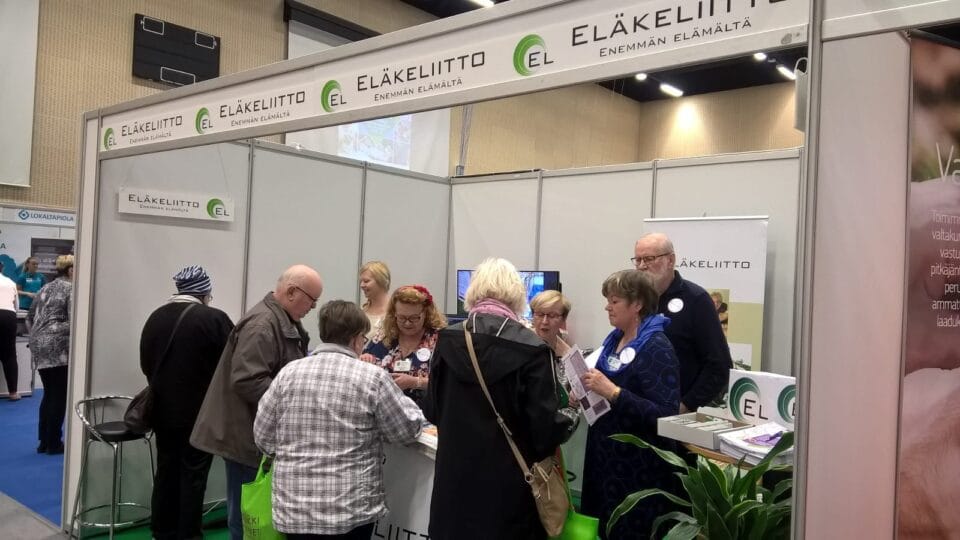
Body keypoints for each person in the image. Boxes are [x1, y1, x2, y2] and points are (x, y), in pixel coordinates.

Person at [424, 257, 573, 540]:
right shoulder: (533, 349)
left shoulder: (447, 339)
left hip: (454, 486)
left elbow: (432, 409)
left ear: (473, 291)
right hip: (510, 491)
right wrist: (571, 417)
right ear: (517, 294)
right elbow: (544, 432)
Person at [254, 300, 424, 540]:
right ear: (356, 339)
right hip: (350, 510)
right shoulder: (372, 378)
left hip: (293, 510)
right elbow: (405, 430)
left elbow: (263, 437)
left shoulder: (287, 374)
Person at [191, 264, 323, 540]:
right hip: (245, 436)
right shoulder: (263, 325)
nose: (313, 307)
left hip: (253, 433)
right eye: (312, 299)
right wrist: (293, 402)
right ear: (291, 292)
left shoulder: (278, 320)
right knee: (248, 516)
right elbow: (247, 380)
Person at [579, 269, 680, 540]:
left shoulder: (657, 347)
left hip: (637, 470)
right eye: (608, 300)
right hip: (605, 459)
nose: (607, 307)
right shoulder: (614, 339)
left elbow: (666, 415)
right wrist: (584, 389)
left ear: (637, 304)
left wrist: (614, 393)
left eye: (614, 301)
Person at [140, 266, 234, 540]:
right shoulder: (214, 319)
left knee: (166, 470)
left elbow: (146, 363)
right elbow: (231, 364)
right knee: (193, 476)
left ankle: (162, 530)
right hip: (200, 414)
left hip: (161, 411)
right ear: (204, 293)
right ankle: (188, 534)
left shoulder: (155, 317)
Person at [633, 233, 731, 412]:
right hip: (637, 410)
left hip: (675, 414)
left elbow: (719, 365)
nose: (641, 266)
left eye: (649, 259)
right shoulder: (634, 299)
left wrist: (686, 405)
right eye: (637, 260)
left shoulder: (696, 299)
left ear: (670, 260)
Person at [361, 285, 446, 407]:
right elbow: (362, 369)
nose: (407, 323)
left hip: (425, 413)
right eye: (401, 317)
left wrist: (416, 382)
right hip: (384, 411)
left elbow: (447, 384)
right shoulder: (384, 337)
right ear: (394, 314)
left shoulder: (439, 340)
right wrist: (364, 360)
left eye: (414, 318)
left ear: (426, 313)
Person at [26, 255, 73, 454]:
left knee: (49, 392)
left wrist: (37, 336)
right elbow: (75, 320)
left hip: (38, 344)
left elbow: (30, 316)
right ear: (70, 270)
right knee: (59, 394)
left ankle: (43, 441)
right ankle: (54, 442)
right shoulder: (71, 289)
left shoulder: (44, 288)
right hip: (58, 346)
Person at [528, 290, 579, 431]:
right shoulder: (519, 345)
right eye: (540, 314)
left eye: (552, 316)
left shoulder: (569, 356)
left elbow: (575, 405)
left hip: (554, 429)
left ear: (563, 320)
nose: (544, 321)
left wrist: (576, 399)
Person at [0, 262, 19, 400]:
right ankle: (13, 393)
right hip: (8, 316)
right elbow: (16, 306)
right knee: (10, 355)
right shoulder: (10, 282)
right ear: (2, 268)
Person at [359, 260, 390, 340]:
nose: (361, 285)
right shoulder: (360, 313)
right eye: (361, 281)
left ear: (381, 281)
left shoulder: (396, 313)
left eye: (366, 281)